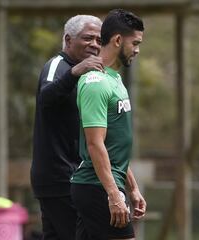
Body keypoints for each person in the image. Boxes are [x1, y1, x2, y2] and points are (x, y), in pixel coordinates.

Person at [70, 9, 146, 240]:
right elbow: (95, 144)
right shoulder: (96, 83)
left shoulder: (114, 79)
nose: (137, 50)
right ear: (118, 40)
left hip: (103, 185)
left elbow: (114, 146)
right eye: (135, 43)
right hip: (97, 187)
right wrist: (114, 194)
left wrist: (131, 187)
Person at [30, 15, 103, 240]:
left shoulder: (88, 74)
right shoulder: (57, 66)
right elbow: (46, 97)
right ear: (69, 40)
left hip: (71, 176)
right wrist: (75, 72)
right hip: (58, 177)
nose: (94, 44)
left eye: (99, 40)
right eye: (88, 38)